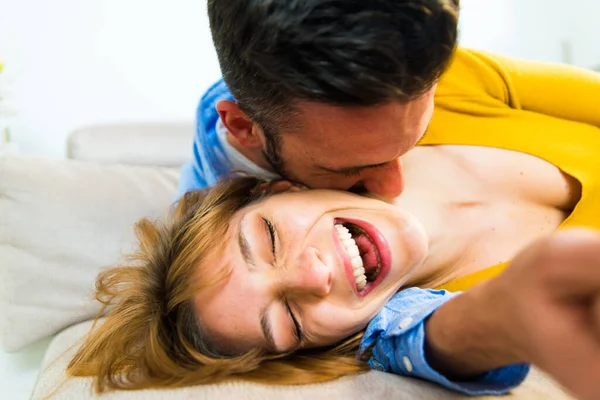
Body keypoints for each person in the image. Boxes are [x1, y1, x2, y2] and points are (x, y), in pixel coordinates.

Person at [67, 49, 600, 397]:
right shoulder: (412, 321)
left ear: (276, 187)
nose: (312, 277)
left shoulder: (424, 97)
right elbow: (440, 340)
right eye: (290, 323)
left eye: (269, 240)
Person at [179, 0, 460, 199]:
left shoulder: (426, 60)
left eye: (416, 140)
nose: (396, 188)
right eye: (352, 171)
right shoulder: (211, 263)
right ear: (242, 126)